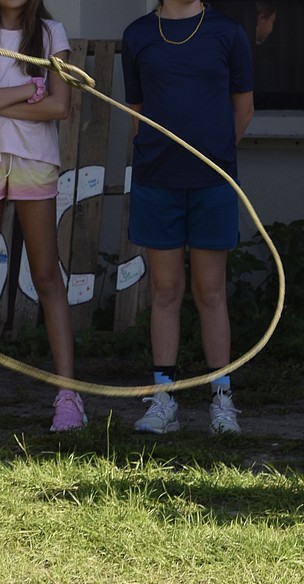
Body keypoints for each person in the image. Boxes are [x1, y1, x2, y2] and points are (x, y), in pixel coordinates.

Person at [0, 0, 86, 434]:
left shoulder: (51, 34)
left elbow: (58, 106)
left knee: (46, 273)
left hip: (35, 158)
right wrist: (27, 91)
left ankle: (68, 394)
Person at [121, 0, 254, 435]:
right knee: (165, 290)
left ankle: (222, 400)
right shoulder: (138, 35)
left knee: (211, 290)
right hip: (157, 183)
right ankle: (164, 399)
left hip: (212, 184)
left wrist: (213, 158)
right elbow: (138, 113)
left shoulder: (227, 33)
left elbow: (243, 109)